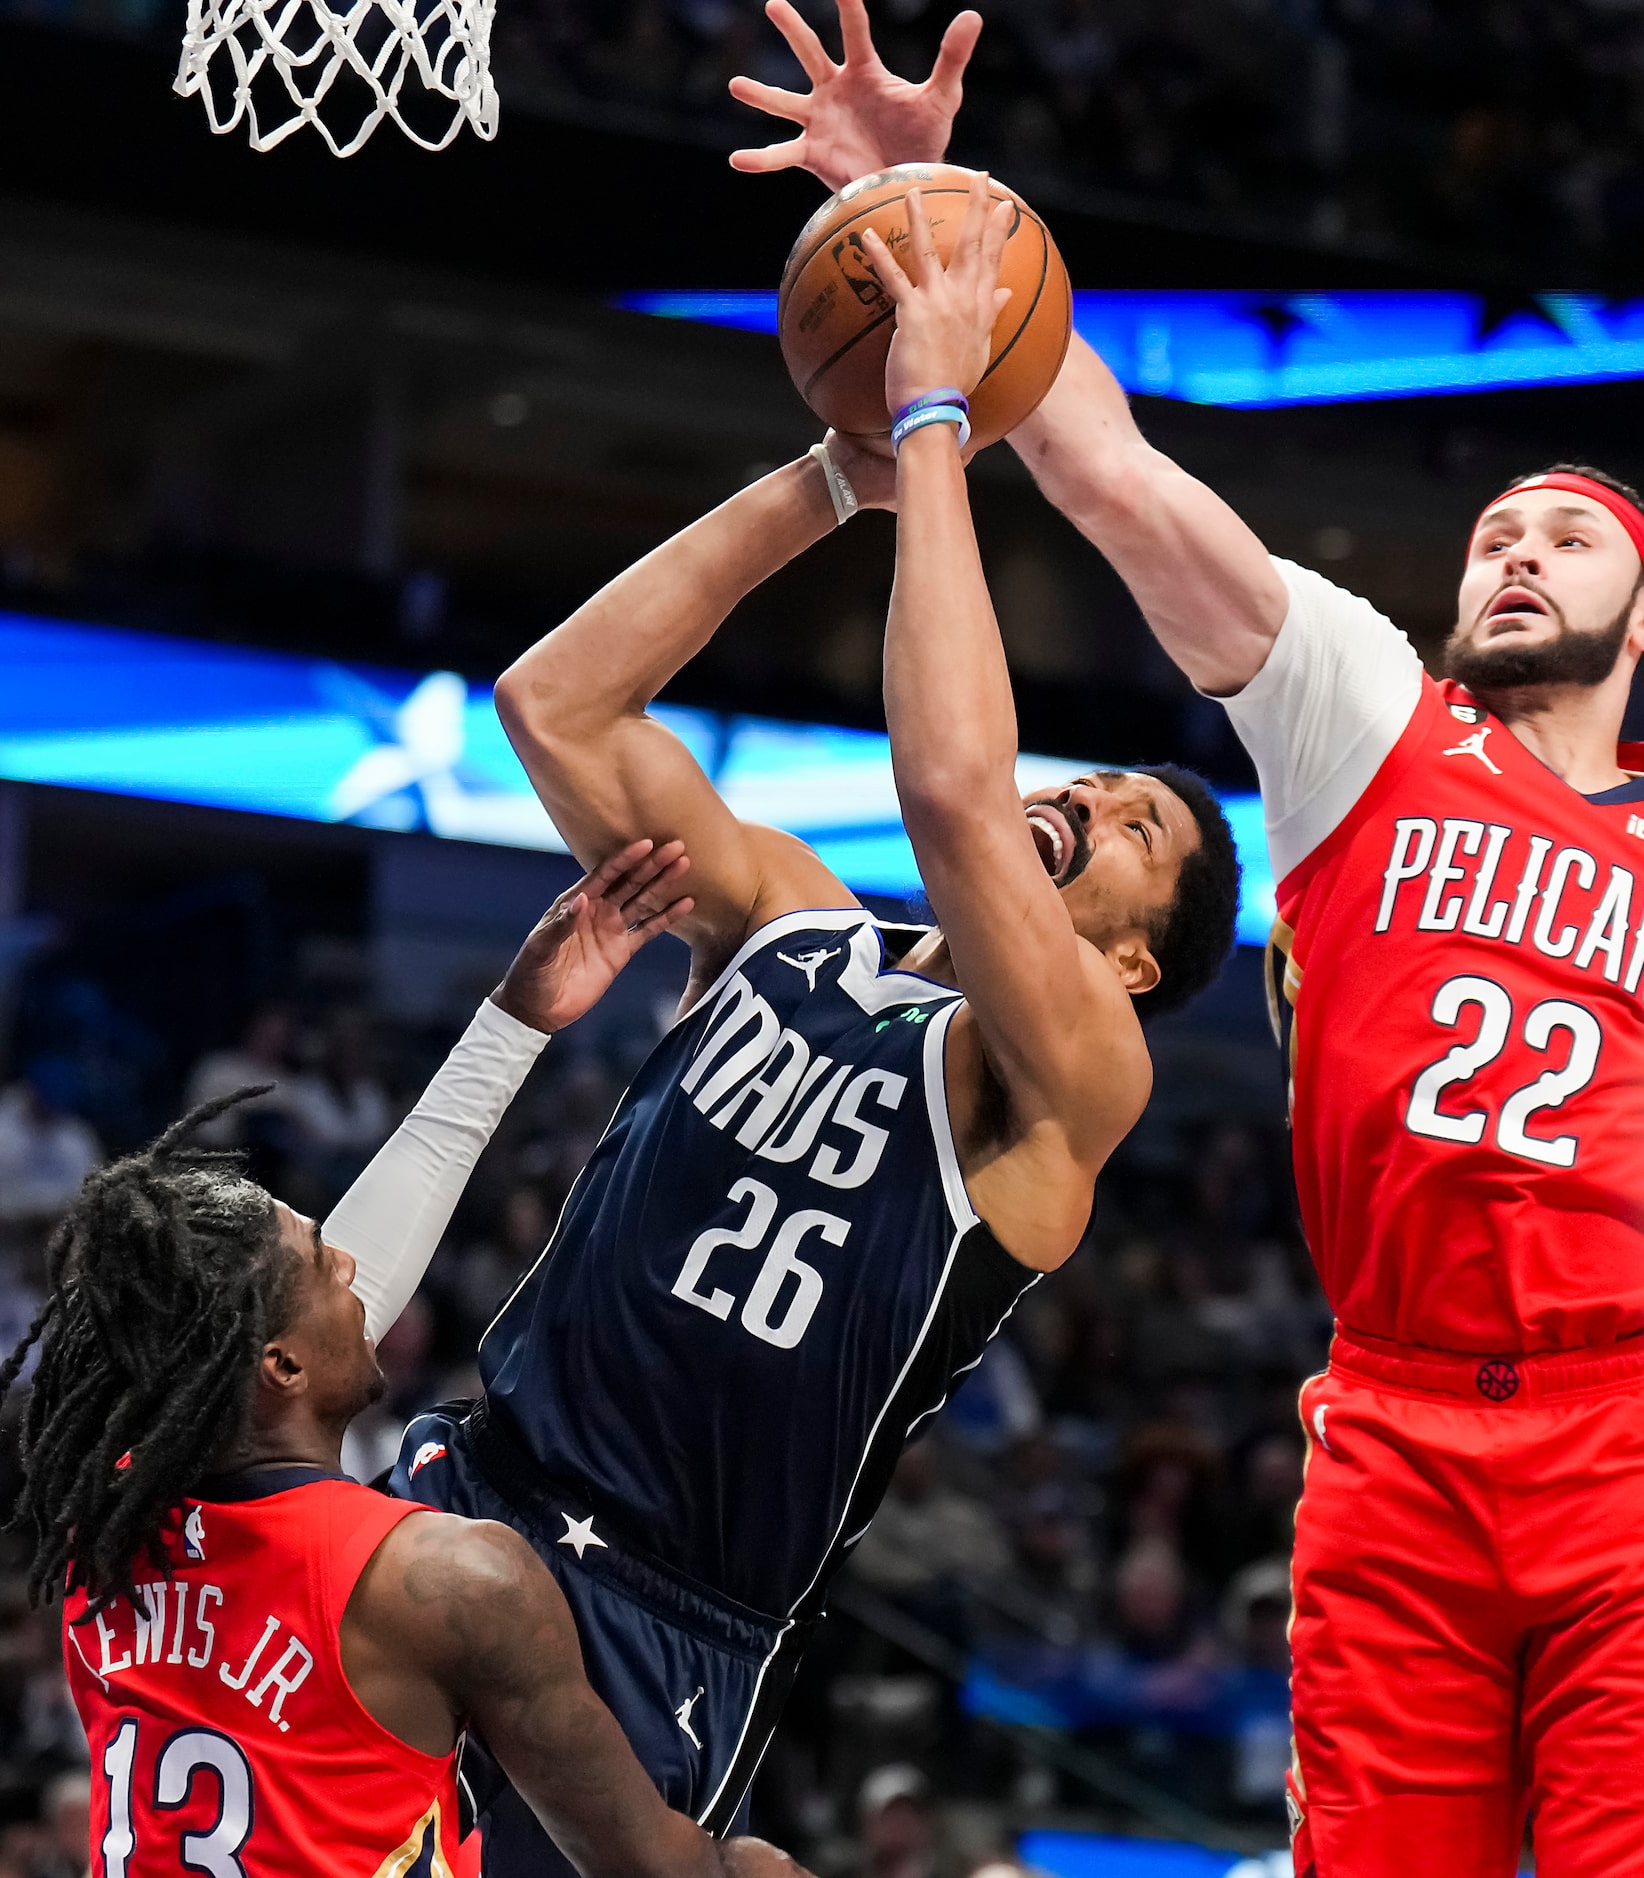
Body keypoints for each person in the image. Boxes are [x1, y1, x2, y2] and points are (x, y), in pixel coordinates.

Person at [728, 13, 1644, 1874]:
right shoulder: (1369, 722)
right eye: (1495, 529)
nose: (1511, 551)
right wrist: (913, 215)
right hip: (1401, 1419)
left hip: (1640, 1422)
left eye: (1564, 539)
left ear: (1643, 611)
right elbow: (1109, 467)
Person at [321, 178, 1238, 1876]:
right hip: (460, 1482)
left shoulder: (1072, 1085)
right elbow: (555, 702)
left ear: (1127, 960)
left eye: (1131, 828)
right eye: (1096, 776)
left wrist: (943, 421)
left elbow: (956, 793)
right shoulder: (796, 921)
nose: (1084, 796)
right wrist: (831, 479)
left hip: (658, 1626)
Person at [0, 845, 815, 1878]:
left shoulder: (99, 1538)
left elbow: (254, 1341)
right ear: (278, 1369)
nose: (352, 1268)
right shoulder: (444, 1578)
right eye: (323, 1261)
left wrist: (513, 1023)